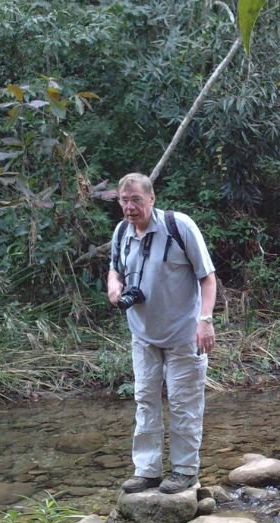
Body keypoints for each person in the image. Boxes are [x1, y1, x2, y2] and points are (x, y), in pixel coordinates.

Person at [107, 173, 217, 494]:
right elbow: (115, 268)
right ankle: (147, 470)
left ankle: (184, 471)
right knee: (145, 400)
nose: (129, 207)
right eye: (124, 200)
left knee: (184, 404)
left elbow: (207, 277)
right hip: (142, 335)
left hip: (184, 335)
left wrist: (205, 320)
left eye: (135, 200)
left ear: (151, 199)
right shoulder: (121, 232)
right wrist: (114, 285)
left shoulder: (179, 226)